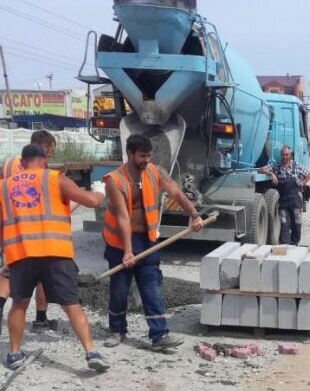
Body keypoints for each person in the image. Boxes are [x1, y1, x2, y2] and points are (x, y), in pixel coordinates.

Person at [2, 144, 110, 371]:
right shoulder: (55, 178)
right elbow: (91, 201)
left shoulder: (4, 187)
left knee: (19, 305)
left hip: (21, 254)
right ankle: (91, 352)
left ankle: (14, 353)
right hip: (55, 253)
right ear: (43, 160)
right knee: (71, 305)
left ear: (22, 163)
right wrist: (100, 191)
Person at [103, 134, 204, 350]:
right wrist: (127, 251)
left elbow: (176, 191)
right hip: (120, 242)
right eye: (142, 156)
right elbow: (122, 217)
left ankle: (159, 335)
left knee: (151, 286)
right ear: (130, 154)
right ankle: (117, 330)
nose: (146, 160)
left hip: (147, 240)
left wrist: (194, 214)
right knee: (119, 289)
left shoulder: (154, 172)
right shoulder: (115, 180)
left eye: (149, 156)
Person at [0, 130, 58, 334]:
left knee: (8, 270)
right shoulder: (37, 171)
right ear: (43, 147)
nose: (48, 157)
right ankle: (41, 319)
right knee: (38, 273)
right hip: (28, 229)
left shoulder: (8, 163)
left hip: (6, 226)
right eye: (49, 152)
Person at [258, 146, 310, 245]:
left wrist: (303, 182)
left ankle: (294, 244)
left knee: (297, 224)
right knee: (284, 224)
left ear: (290, 155)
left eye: (287, 155)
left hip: (296, 201)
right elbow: (261, 169)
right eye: (283, 154)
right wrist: (272, 174)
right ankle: (285, 245)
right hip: (283, 201)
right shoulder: (276, 165)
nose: (285, 157)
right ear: (281, 155)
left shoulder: (296, 165)